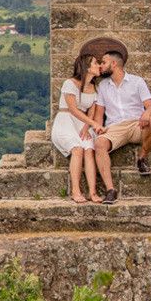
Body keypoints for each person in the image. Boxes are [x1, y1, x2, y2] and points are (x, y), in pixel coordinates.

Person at [93, 50, 151, 205]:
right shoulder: (102, 86)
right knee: (99, 143)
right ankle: (110, 190)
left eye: (104, 62)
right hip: (115, 127)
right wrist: (98, 128)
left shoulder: (137, 82)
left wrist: (147, 113)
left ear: (114, 64)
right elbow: (99, 114)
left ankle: (142, 159)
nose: (101, 65)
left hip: (136, 124)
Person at [50, 53, 106, 204]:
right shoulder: (70, 83)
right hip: (66, 120)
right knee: (77, 149)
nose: (99, 66)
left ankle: (92, 192)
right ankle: (76, 191)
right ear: (87, 67)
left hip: (82, 123)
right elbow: (73, 109)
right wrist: (94, 124)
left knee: (89, 149)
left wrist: (87, 127)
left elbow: (91, 111)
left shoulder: (94, 87)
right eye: (95, 63)